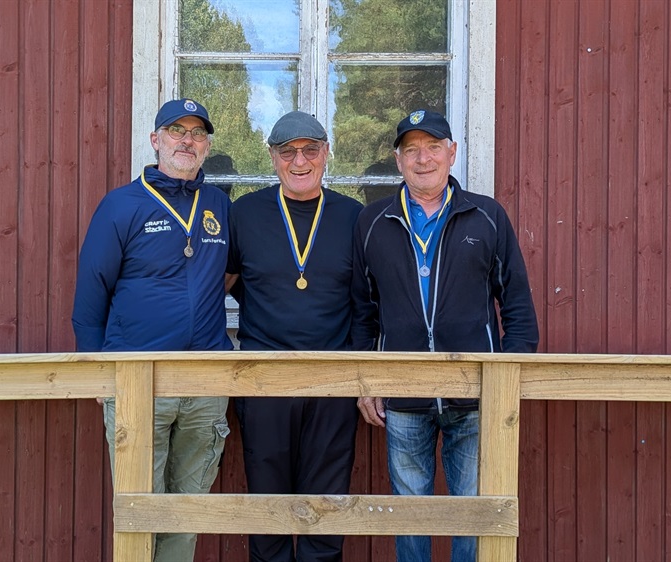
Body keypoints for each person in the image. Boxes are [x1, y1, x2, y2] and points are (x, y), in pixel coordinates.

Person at [351, 109, 539, 562]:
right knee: (410, 517)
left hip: (474, 395)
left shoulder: (486, 216)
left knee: (471, 516)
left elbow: (517, 306)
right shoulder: (373, 221)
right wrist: (366, 381)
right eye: (412, 149)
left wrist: (505, 381)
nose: (423, 159)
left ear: (452, 153)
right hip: (403, 396)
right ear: (398, 159)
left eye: (433, 147)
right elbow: (363, 311)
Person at [71, 99, 232, 562]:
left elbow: (233, 272)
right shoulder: (122, 205)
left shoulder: (219, 205)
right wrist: (97, 370)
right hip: (138, 379)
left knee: (188, 508)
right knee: (140, 507)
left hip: (205, 380)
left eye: (197, 133)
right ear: (155, 140)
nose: (187, 141)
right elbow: (91, 292)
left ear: (206, 146)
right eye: (177, 131)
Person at [227, 111, 362, 562]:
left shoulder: (353, 217)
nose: (299, 161)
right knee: (269, 512)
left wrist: (365, 378)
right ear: (272, 157)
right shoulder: (244, 214)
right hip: (265, 379)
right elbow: (221, 285)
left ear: (326, 153)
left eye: (310, 150)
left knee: (325, 510)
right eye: (287, 152)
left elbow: (366, 305)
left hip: (333, 381)